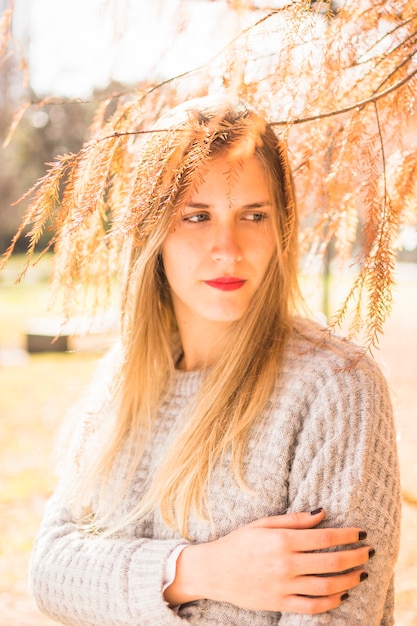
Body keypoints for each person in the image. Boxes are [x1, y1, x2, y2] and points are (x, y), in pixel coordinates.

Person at [29, 96, 401, 626]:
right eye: (197, 216)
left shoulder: (335, 387)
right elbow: (50, 571)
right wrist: (198, 571)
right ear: (151, 233)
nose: (228, 249)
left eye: (253, 215)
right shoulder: (122, 379)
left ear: (282, 229)